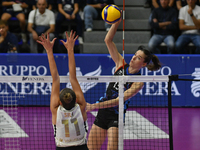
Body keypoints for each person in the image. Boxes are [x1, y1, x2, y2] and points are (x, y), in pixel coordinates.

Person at [86, 18, 162, 150]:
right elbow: (108, 41)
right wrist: (115, 23)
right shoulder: (120, 64)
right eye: (134, 54)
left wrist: (94, 106)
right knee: (91, 148)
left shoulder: (138, 82)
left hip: (116, 115)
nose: (133, 57)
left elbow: (117, 101)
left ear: (144, 64)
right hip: (103, 113)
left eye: (138, 57)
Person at [37, 31, 89, 150]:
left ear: (60, 103)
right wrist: (70, 49)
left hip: (62, 147)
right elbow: (73, 77)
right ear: (75, 100)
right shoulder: (81, 107)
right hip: (81, 147)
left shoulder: (56, 111)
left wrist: (49, 50)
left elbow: (55, 78)